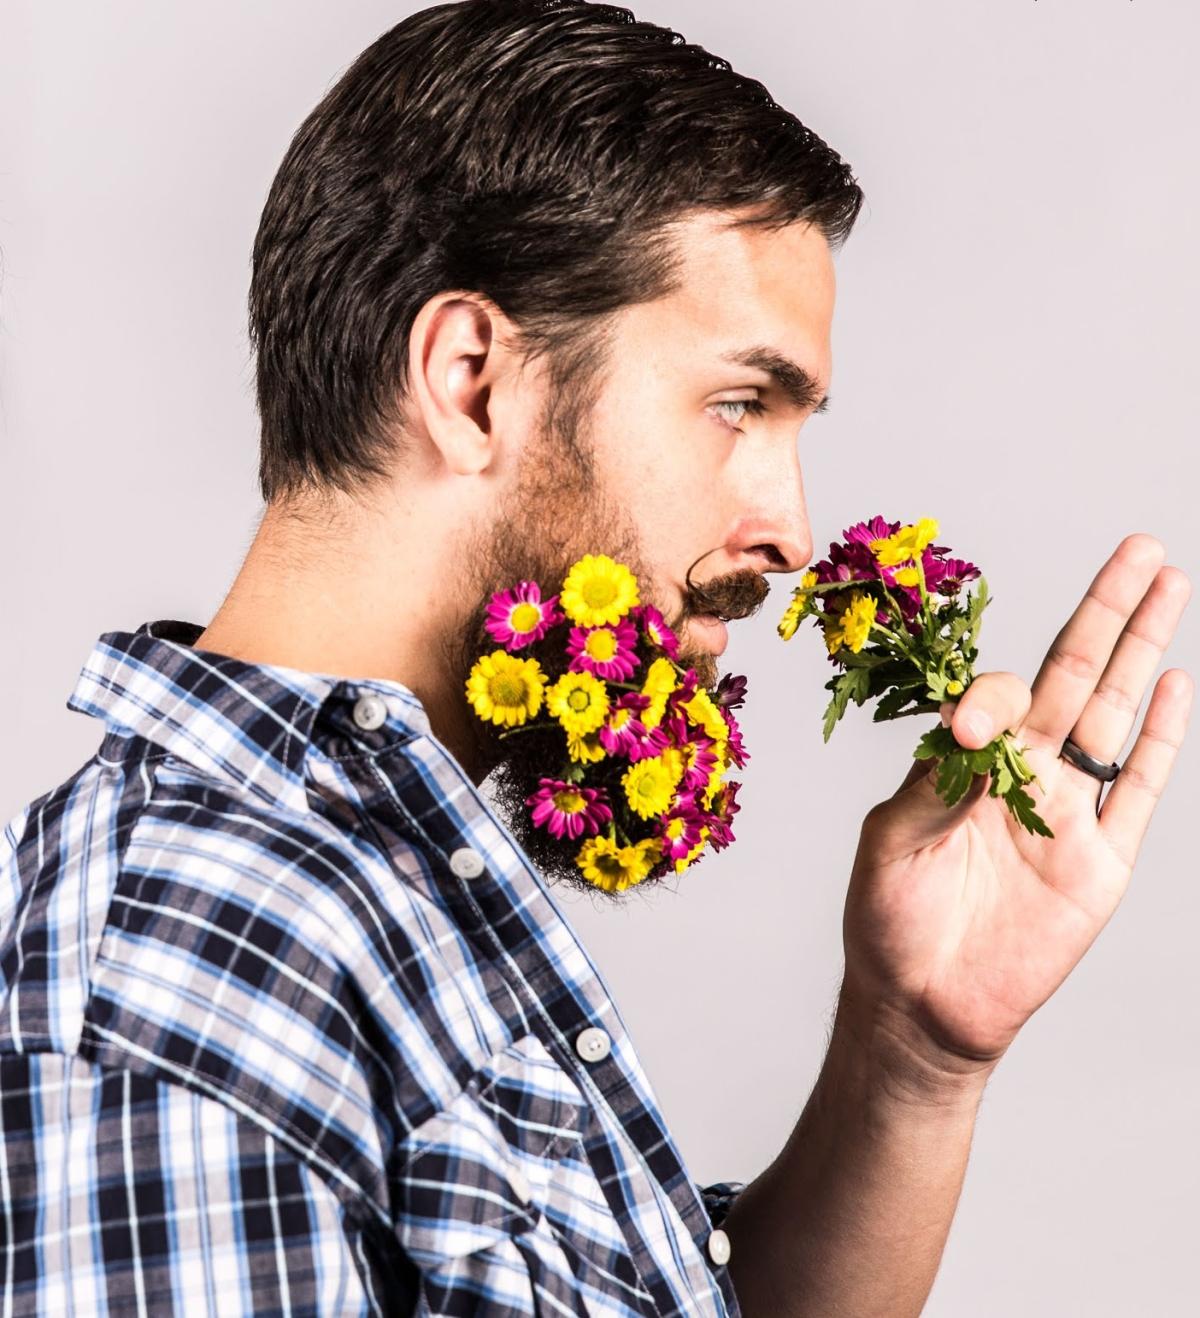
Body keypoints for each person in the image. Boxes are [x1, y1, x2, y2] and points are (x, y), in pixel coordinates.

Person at [0, 2, 1191, 1314]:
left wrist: (911, 1056)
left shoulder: (374, 880)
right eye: (740, 402)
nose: (790, 531)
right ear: (471, 380)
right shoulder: (195, 960)